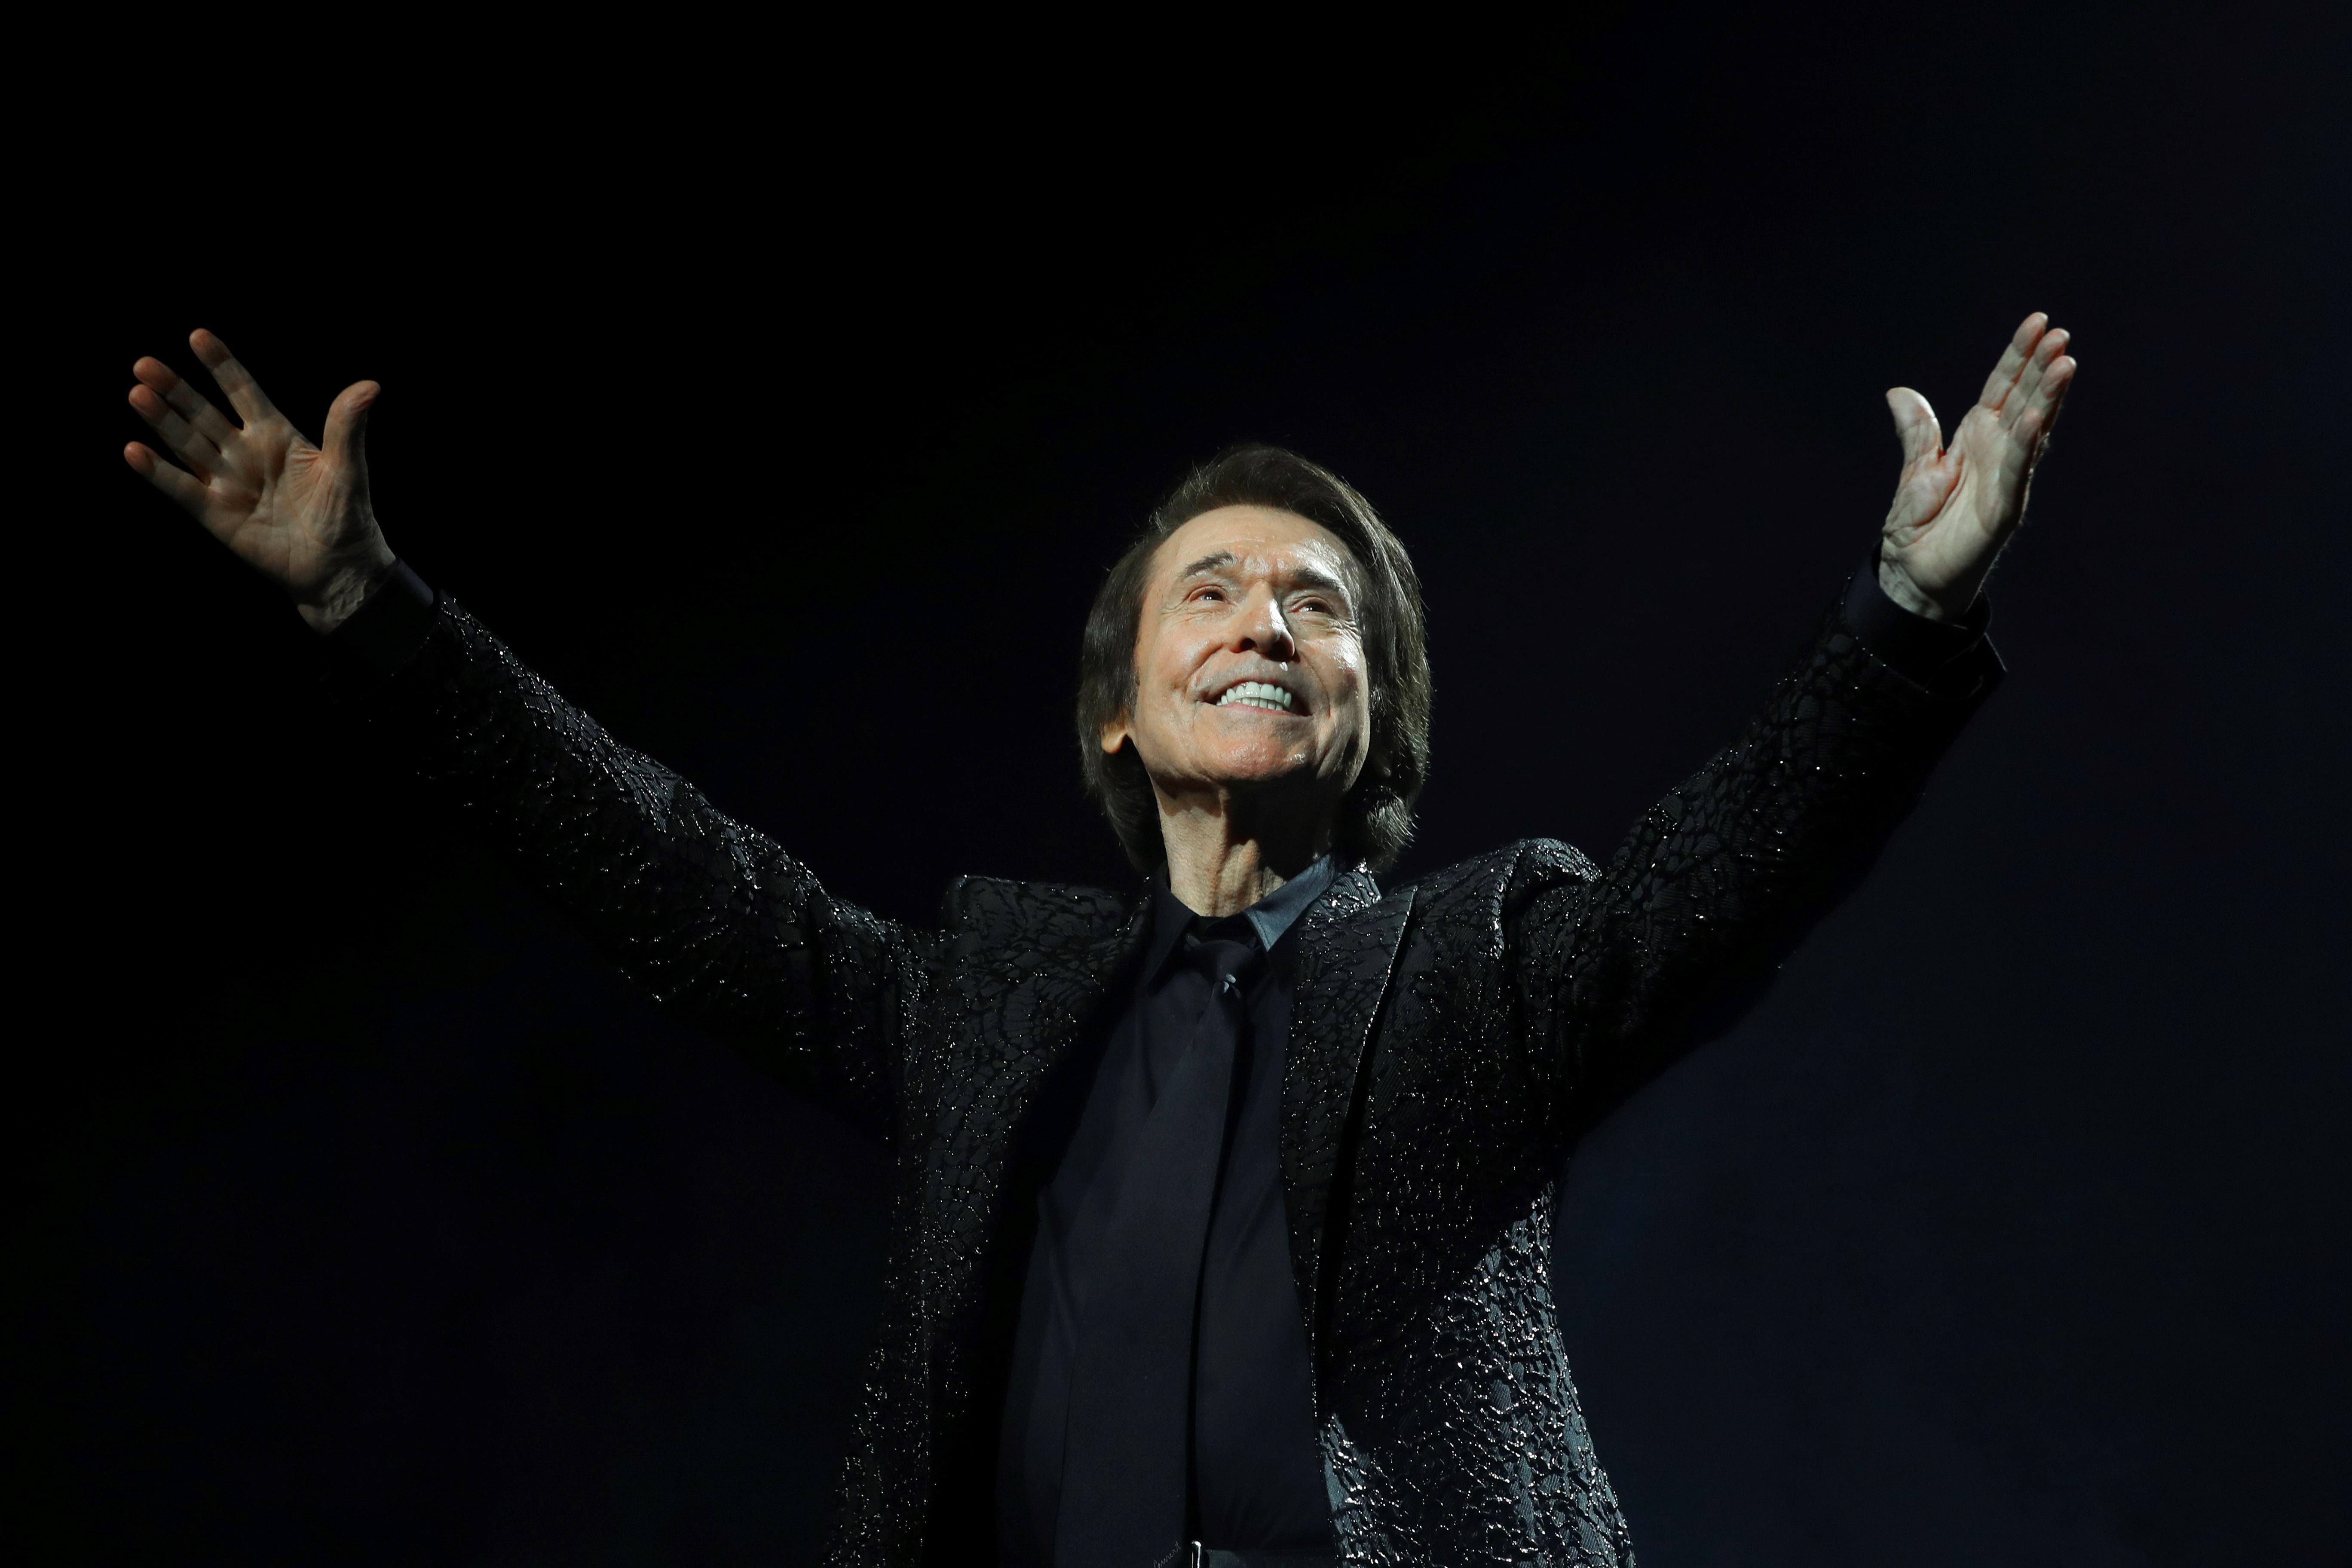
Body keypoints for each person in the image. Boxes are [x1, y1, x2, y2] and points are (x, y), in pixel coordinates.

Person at [122, 314, 2075, 1568]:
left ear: (1370, 714)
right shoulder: (982, 1003)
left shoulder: (1484, 971)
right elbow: (661, 873)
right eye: (1210, 590)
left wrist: (1902, 622)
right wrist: (374, 612)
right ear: (1124, 716)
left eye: (1320, 607)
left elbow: (1722, 883)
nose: (1262, 620)